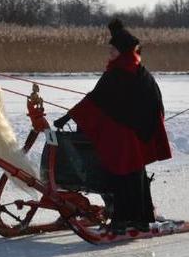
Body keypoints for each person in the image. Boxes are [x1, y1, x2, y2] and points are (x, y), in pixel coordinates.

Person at [53, 19, 171, 234]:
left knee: (124, 176)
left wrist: (69, 116)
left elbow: (94, 100)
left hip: (129, 137)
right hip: (128, 136)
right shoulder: (132, 71)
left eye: (112, 49)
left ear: (123, 52)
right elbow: (98, 100)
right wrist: (70, 116)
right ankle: (135, 218)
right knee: (129, 176)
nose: (109, 53)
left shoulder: (121, 73)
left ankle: (128, 220)